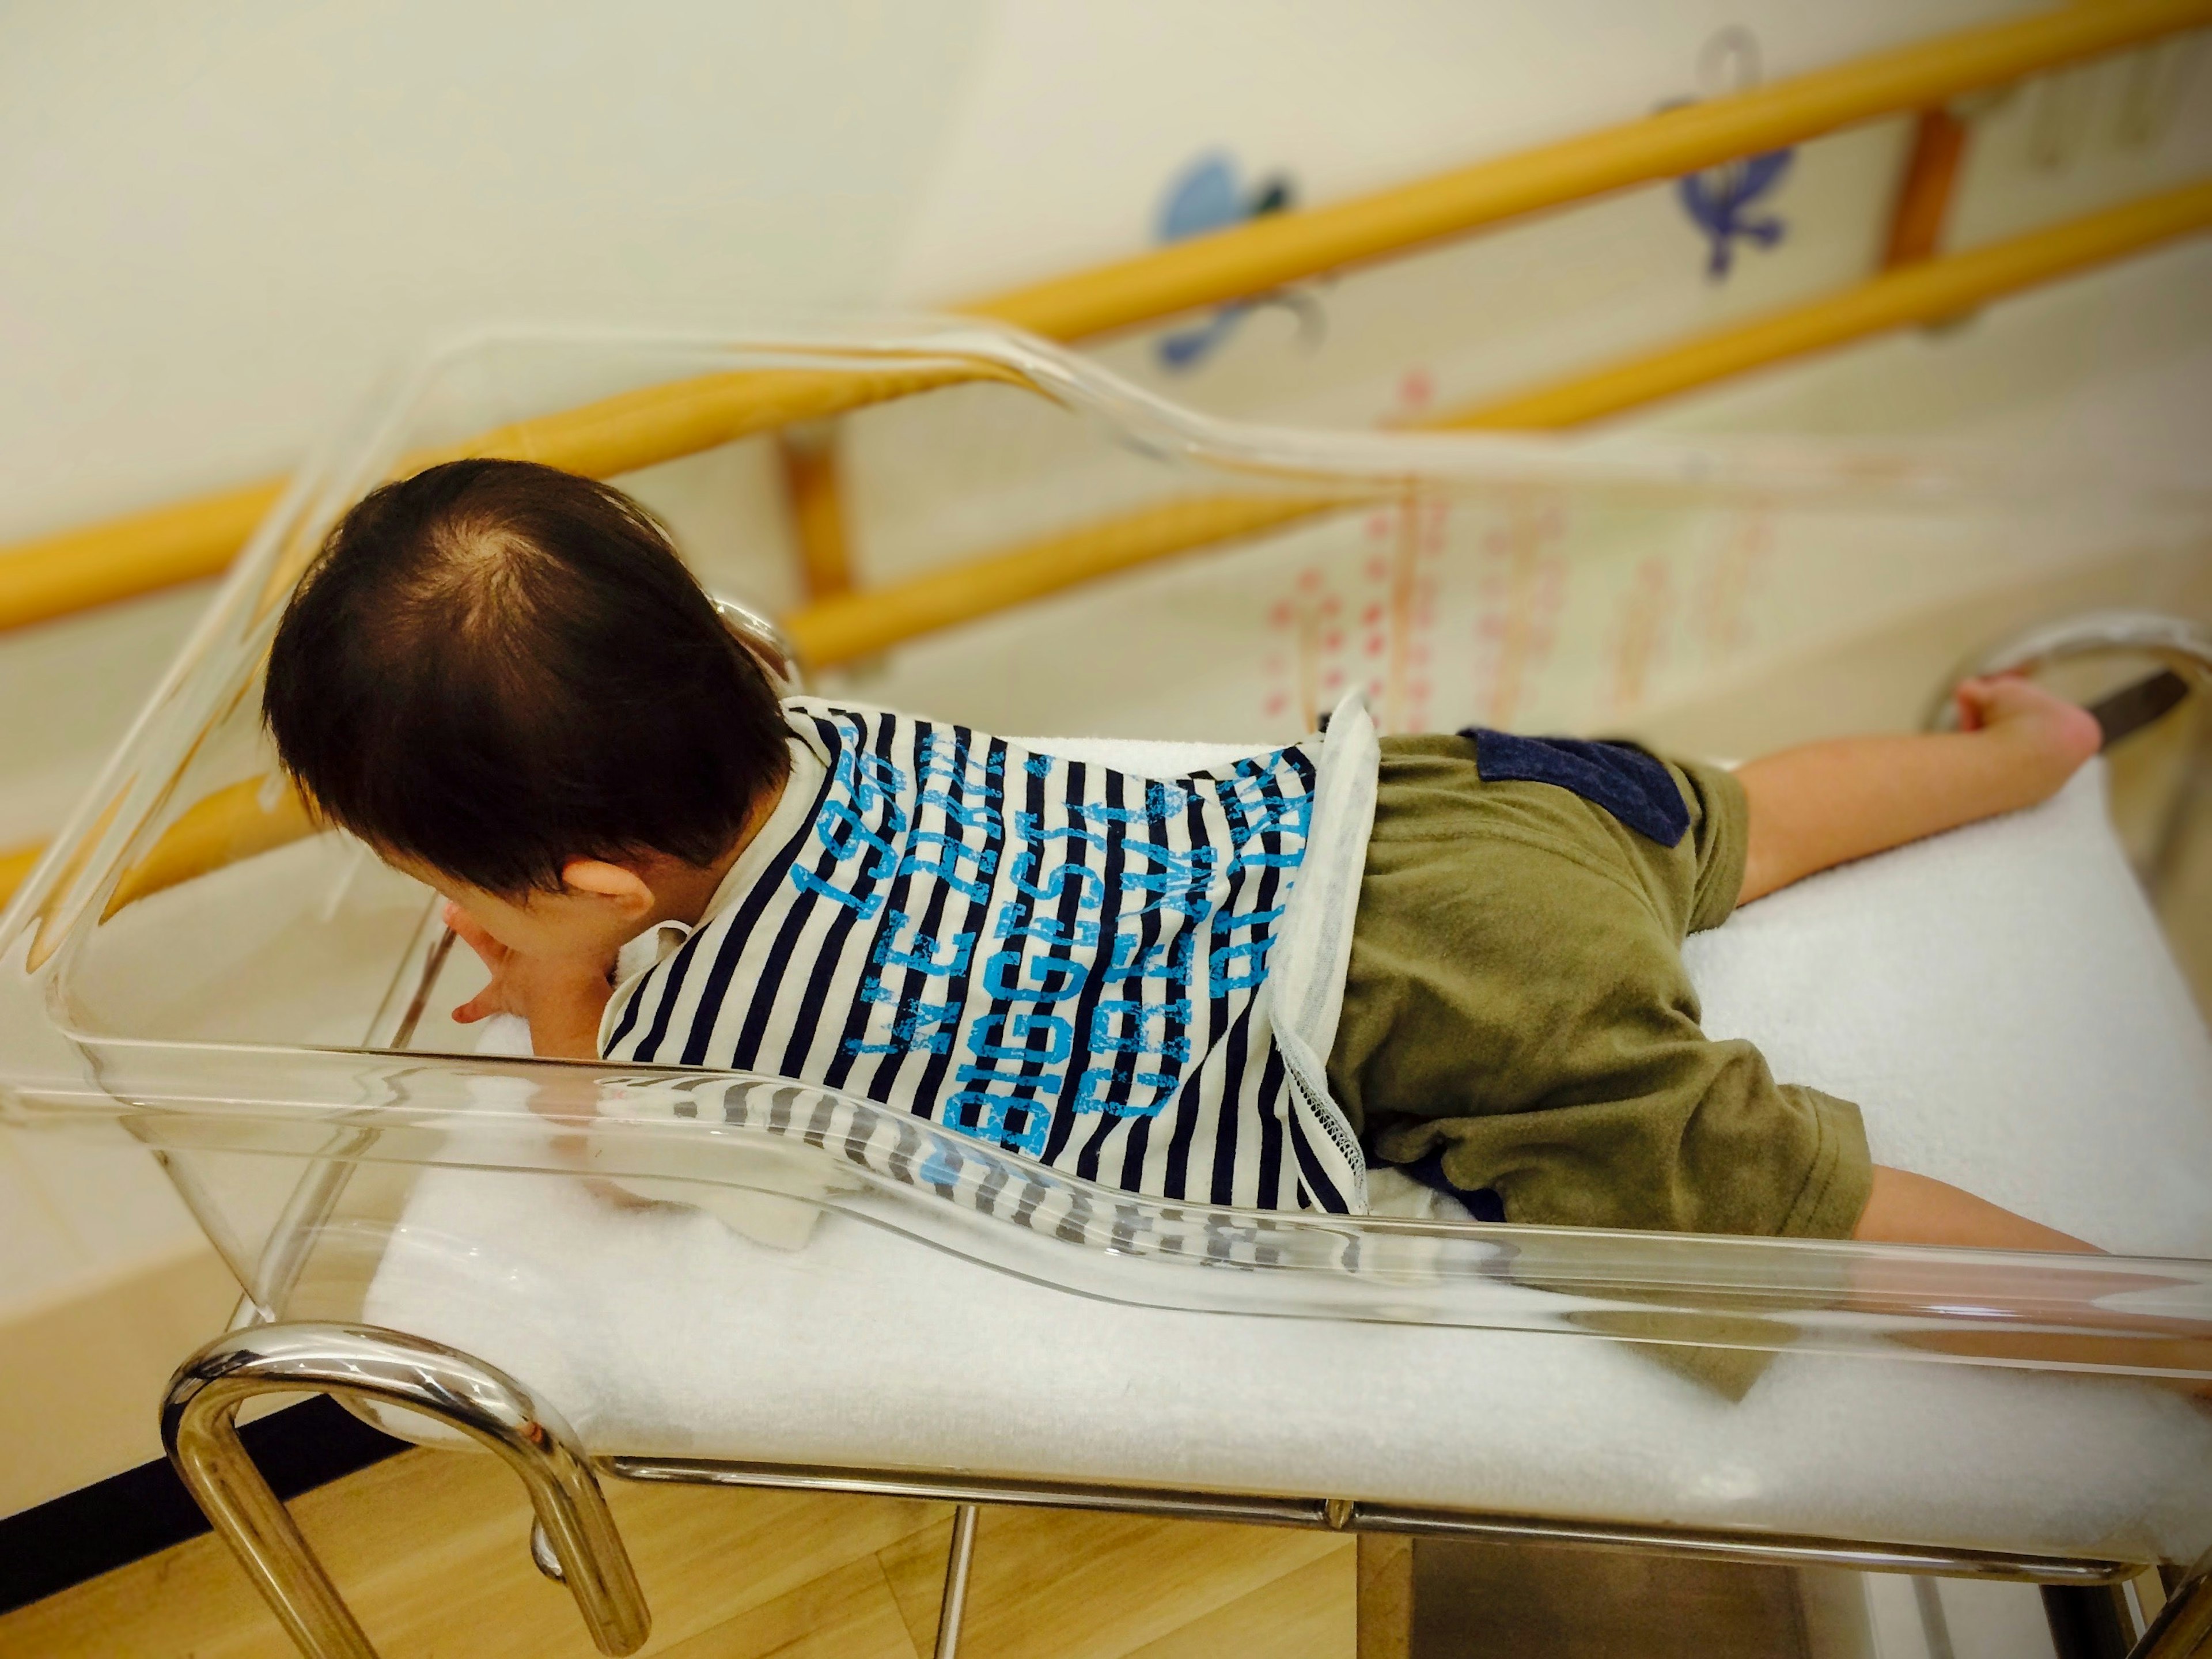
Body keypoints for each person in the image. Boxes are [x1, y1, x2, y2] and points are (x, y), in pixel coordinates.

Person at [263, 458, 2106, 1253]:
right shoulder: (789, 706)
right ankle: (2029, 751)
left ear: (585, 890)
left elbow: (611, 1171)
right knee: (1740, 817)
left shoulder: (724, 1034)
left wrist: (572, 1001)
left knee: (1768, 1198)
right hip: (1420, 804)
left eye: (453, 882)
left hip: (1404, 1009)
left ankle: (2158, 1328)